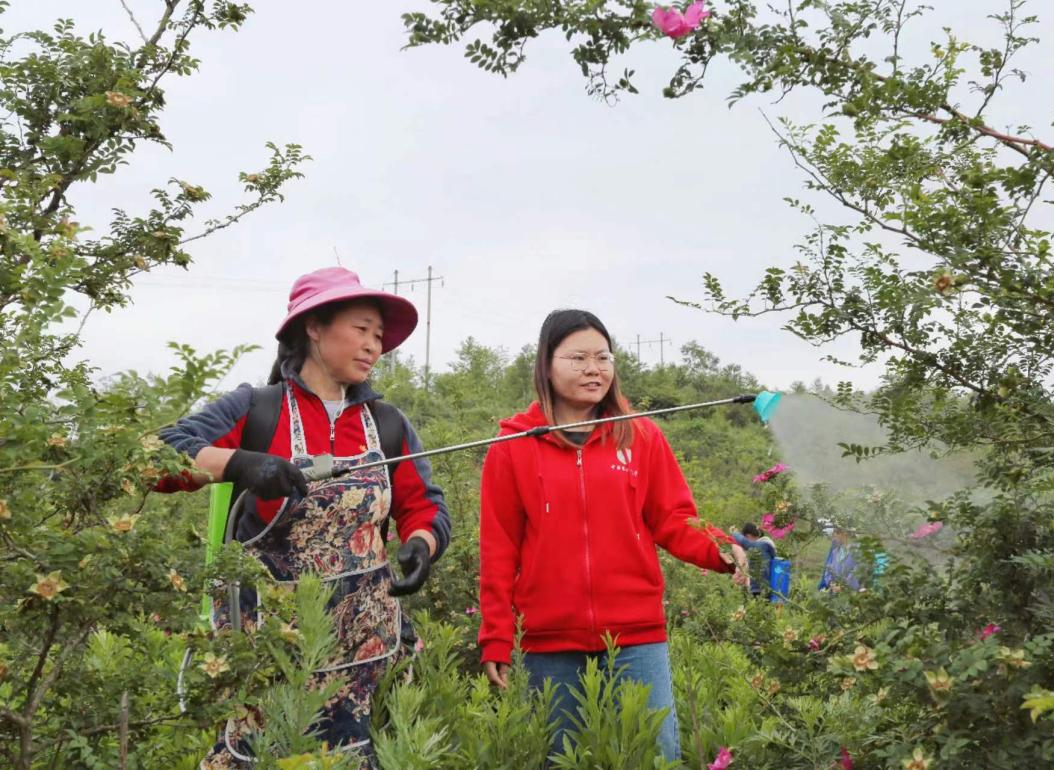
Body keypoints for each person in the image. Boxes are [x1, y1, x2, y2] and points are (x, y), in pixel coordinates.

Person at [158, 267, 451, 768]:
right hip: (269, 652)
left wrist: (421, 544)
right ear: (314, 327)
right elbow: (161, 457)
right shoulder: (258, 408)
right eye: (361, 329)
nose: (373, 346)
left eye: (379, 336)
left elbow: (425, 505)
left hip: (364, 654)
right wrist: (242, 464)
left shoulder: (387, 425)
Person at [477, 309, 748, 763]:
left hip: (637, 637)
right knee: (556, 758)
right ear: (546, 363)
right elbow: (499, 549)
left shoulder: (641, 435)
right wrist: (497, 637)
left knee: (652, 756)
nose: (593, 369)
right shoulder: (513, 447)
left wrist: (718, 548)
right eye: (578, 357)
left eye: (603, 357)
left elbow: (674, 517)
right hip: (547, 642)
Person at [730, 522, 777, 599]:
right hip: (766, 588)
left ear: (748, 536)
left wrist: (734, 532)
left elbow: (743, 541)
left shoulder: (761, 545)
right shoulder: (766, 546)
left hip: (760, 589)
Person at [818, 525, 860, 592]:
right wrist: (831, 583)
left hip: (851, 594)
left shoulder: (857, 550)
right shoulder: (836, 551)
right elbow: (829, 570)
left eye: (836, 533)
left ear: (845, 534)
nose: (834, 538)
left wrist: (843, 587)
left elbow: (858, 571)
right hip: (835, 593)